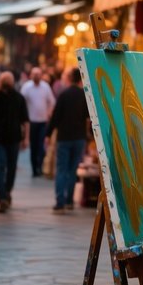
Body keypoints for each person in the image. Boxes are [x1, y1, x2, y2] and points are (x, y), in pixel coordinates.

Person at [0, 71, 29, 213]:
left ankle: (7, 191)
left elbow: (25, 120)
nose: (7, 83)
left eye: (8, 80)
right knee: (1, 166)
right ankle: (2, 197)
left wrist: (26, 138)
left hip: (14, 138)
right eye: (5, 80)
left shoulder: (19, 98)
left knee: (11, 167)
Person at [46, 66, 89, 212]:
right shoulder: (84, 96)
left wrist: (48, 133)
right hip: (79, 138)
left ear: (70, 78)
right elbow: (88, 118)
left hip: (64, 137)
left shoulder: (64, 95)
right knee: (72, 169)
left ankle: (60, 203)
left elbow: (56, 116)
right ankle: (70, 201)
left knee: (62, 169)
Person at [21, 66, 55, 177]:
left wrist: (49, 112)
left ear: (41, 75)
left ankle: (39, 166)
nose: (36, 76)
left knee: (41, 146)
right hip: (31, 122)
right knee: (33, 146)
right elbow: (21, 103)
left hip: (43, 121)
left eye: (38, 74)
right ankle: (34, 169)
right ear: (31, 75)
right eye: (34, 74)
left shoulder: (46, 87)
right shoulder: (26, 87)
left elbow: (52, 101)